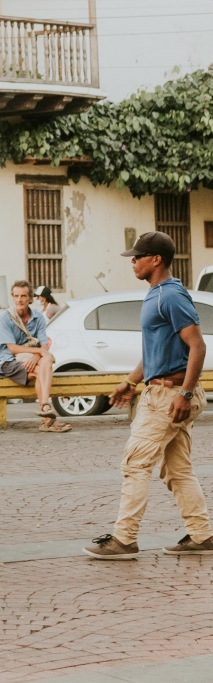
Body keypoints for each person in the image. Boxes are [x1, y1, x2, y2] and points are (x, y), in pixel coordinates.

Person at [85, 231, 213, 559]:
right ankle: (202, 535)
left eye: (138, 256)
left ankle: (124, 539)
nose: (133, 261)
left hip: (170, 394)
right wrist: (129, 382)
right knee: (177, 469)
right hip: (165, 390)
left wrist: (184, 394)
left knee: (136, 463)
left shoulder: (169, 295)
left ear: (156, 259)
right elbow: (155, 350)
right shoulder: (156, 294)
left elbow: (197, 346)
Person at [0, 280, 69, 433]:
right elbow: (12, 348)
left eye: (23, 296)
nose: (19, 300)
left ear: (30, 298)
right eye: (16, 296)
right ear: (13, 298)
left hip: (31, 359)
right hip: (8, 361)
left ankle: (44, 407)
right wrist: (39, 353)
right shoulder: (4, 317)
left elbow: (43, 344)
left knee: (46, 360)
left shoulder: (38, 318)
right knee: (40, 369)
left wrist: (36, 356)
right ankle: (47, 416)